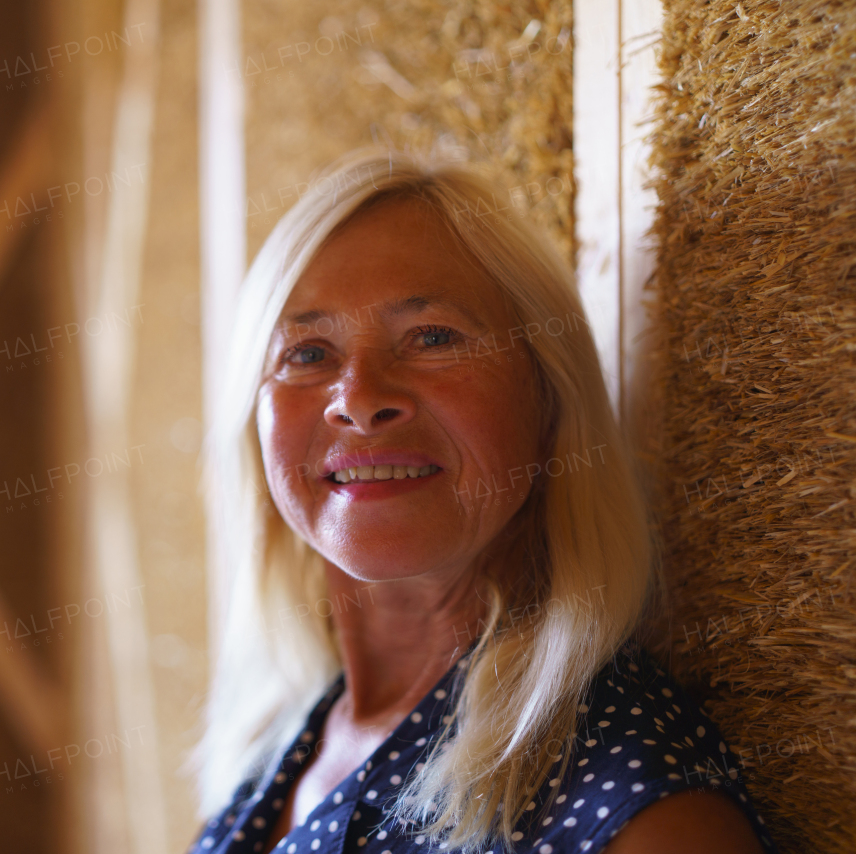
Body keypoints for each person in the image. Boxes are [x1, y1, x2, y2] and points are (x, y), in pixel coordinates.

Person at [190, 151, 772, 854]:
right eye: (307, 353)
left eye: (432, 337)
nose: (361, 399)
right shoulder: (274, 740)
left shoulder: (635, 810)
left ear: (549, 400)